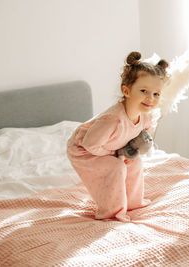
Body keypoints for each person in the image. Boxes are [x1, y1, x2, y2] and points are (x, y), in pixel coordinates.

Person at [67, 51, 168, 222]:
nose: (150, 98)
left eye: (156, 94)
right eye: (144, 91)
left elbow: (145, 133)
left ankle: (133, 202)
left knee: (135, 162)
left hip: (109, 146)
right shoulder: (113, 120)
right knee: (116, 168)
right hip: (84, 149)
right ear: (127, 91)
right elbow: (90, 144)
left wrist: (131, 151)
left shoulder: (145, 115)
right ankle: (111, 211)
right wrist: (117, 155)